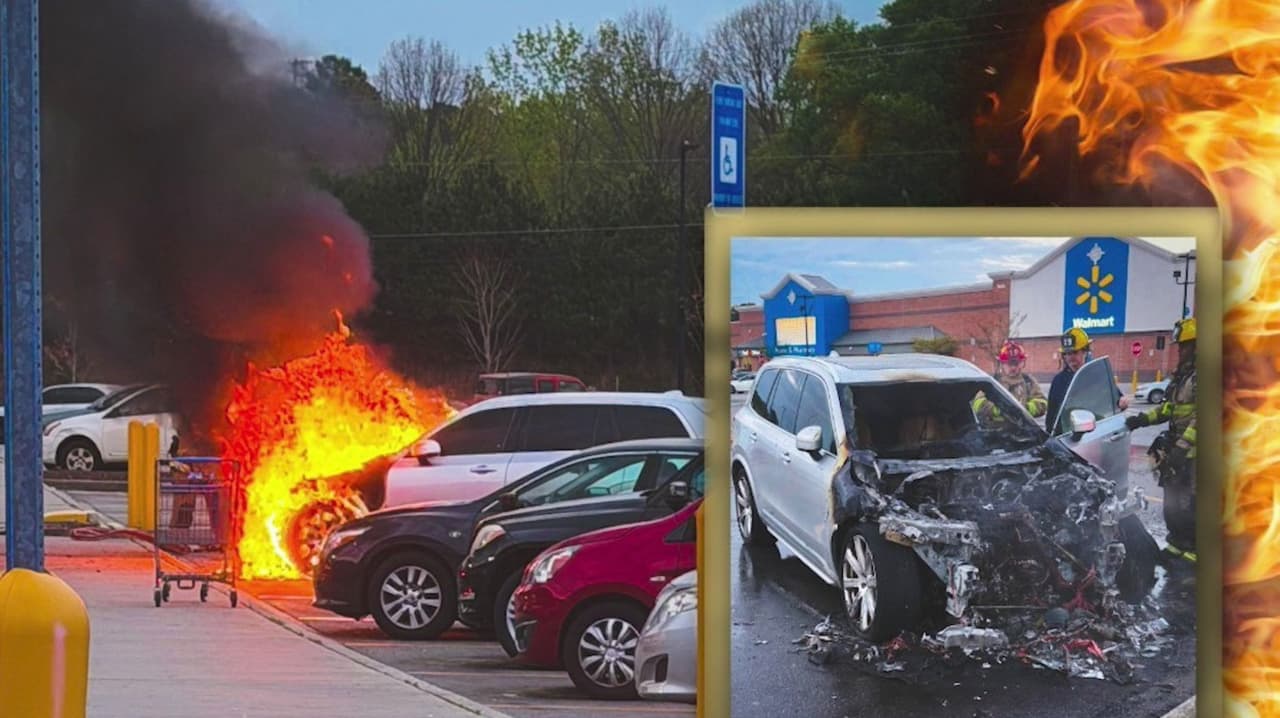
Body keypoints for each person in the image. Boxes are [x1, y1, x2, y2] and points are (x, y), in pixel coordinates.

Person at [1126, 317, 1196, 563]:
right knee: (1172, 500)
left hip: (1193, 454)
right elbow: (1168, 410)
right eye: (1180, 346)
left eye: (1185, 345)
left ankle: (1193, 551)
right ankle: (1176, 544)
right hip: (1177, 449)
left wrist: (1181, 448)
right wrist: (1141, 420)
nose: (1181, 350)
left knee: (1189, 501)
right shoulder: (1182, 377)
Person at [1046, 326, 1129, 432]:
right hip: (1067, 438)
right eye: (1067, 354)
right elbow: (1051, 417)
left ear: (1085, 352)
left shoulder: (1099, 375)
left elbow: (1116, 400)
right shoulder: (1058, 381)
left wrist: (1122, 402)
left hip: (1096, 433)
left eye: (1075, 352)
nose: (1070, 358)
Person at [973, 340, 1048, 423]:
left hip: (1023, 431)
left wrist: (1024, 409)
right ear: (1002, 364)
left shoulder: (1029, 382)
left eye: (1016, 363)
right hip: (994, 431)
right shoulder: (992, 382)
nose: (1013, 367)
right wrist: (999, 410)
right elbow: (977, 404)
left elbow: (1042, 403)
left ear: (1022, 363)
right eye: (1009, 363)